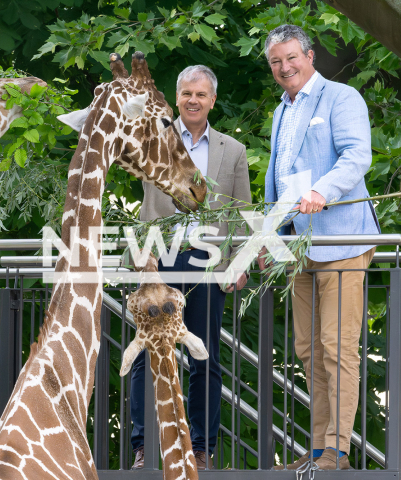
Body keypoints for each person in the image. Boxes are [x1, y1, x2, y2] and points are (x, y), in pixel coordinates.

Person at [258, 25, 380, 471]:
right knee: (308, 350)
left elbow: (356, 156)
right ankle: (316, 452)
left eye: (291, 57)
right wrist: (269, 238)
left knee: (337, 347)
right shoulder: (281, 112)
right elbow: (278, 183)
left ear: (309, 55)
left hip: (343, 240)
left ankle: (338, 452)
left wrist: (323, 191)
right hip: (299, 248)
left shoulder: (341, 98)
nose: (284, 67)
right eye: (275, 61)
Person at [129, 65, 252, 470]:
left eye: (200, 94)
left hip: (207, 260)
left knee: (205, 356)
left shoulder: (232, 150)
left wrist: (238, 263)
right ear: (176, 97)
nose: (193, 100)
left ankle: (200, 447)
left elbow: (240, 213)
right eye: (186, 94)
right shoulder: (152, 141)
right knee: (150, 350)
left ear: (212, 100)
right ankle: (146, 444)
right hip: (158, 258)